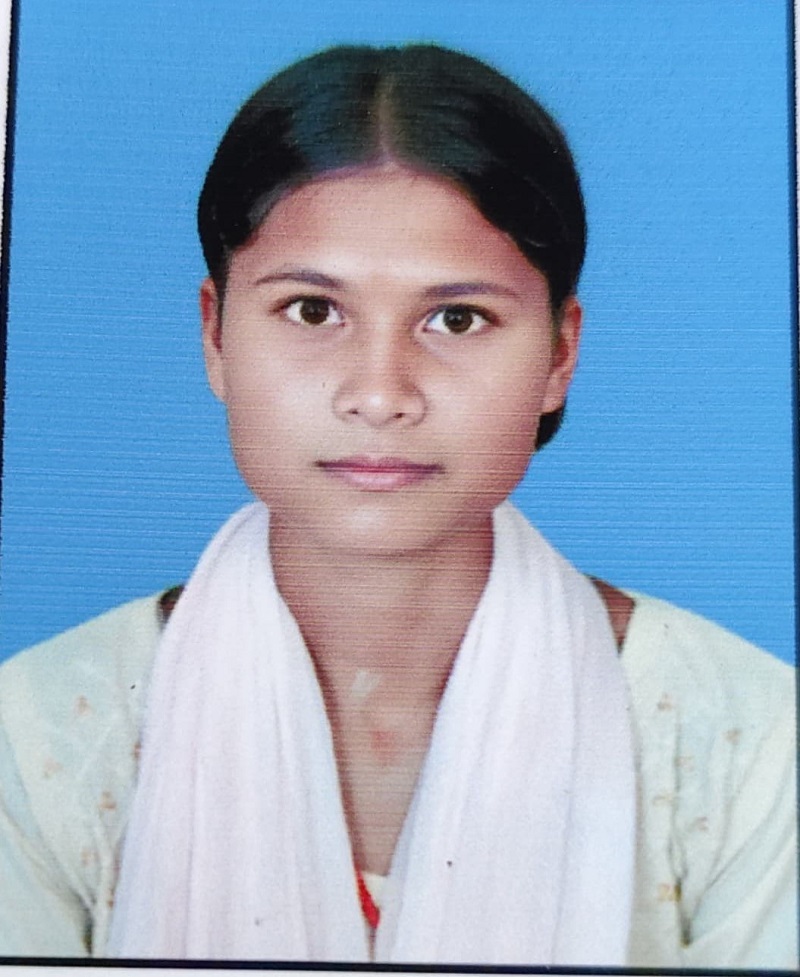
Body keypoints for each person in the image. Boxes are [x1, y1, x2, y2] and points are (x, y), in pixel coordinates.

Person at [0, 44, 795, 967]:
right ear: (215, 336)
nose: (379, 395)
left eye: (456, 318)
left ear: (559, 354)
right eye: (312, 311)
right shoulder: (41, 736)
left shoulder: (748, 740)